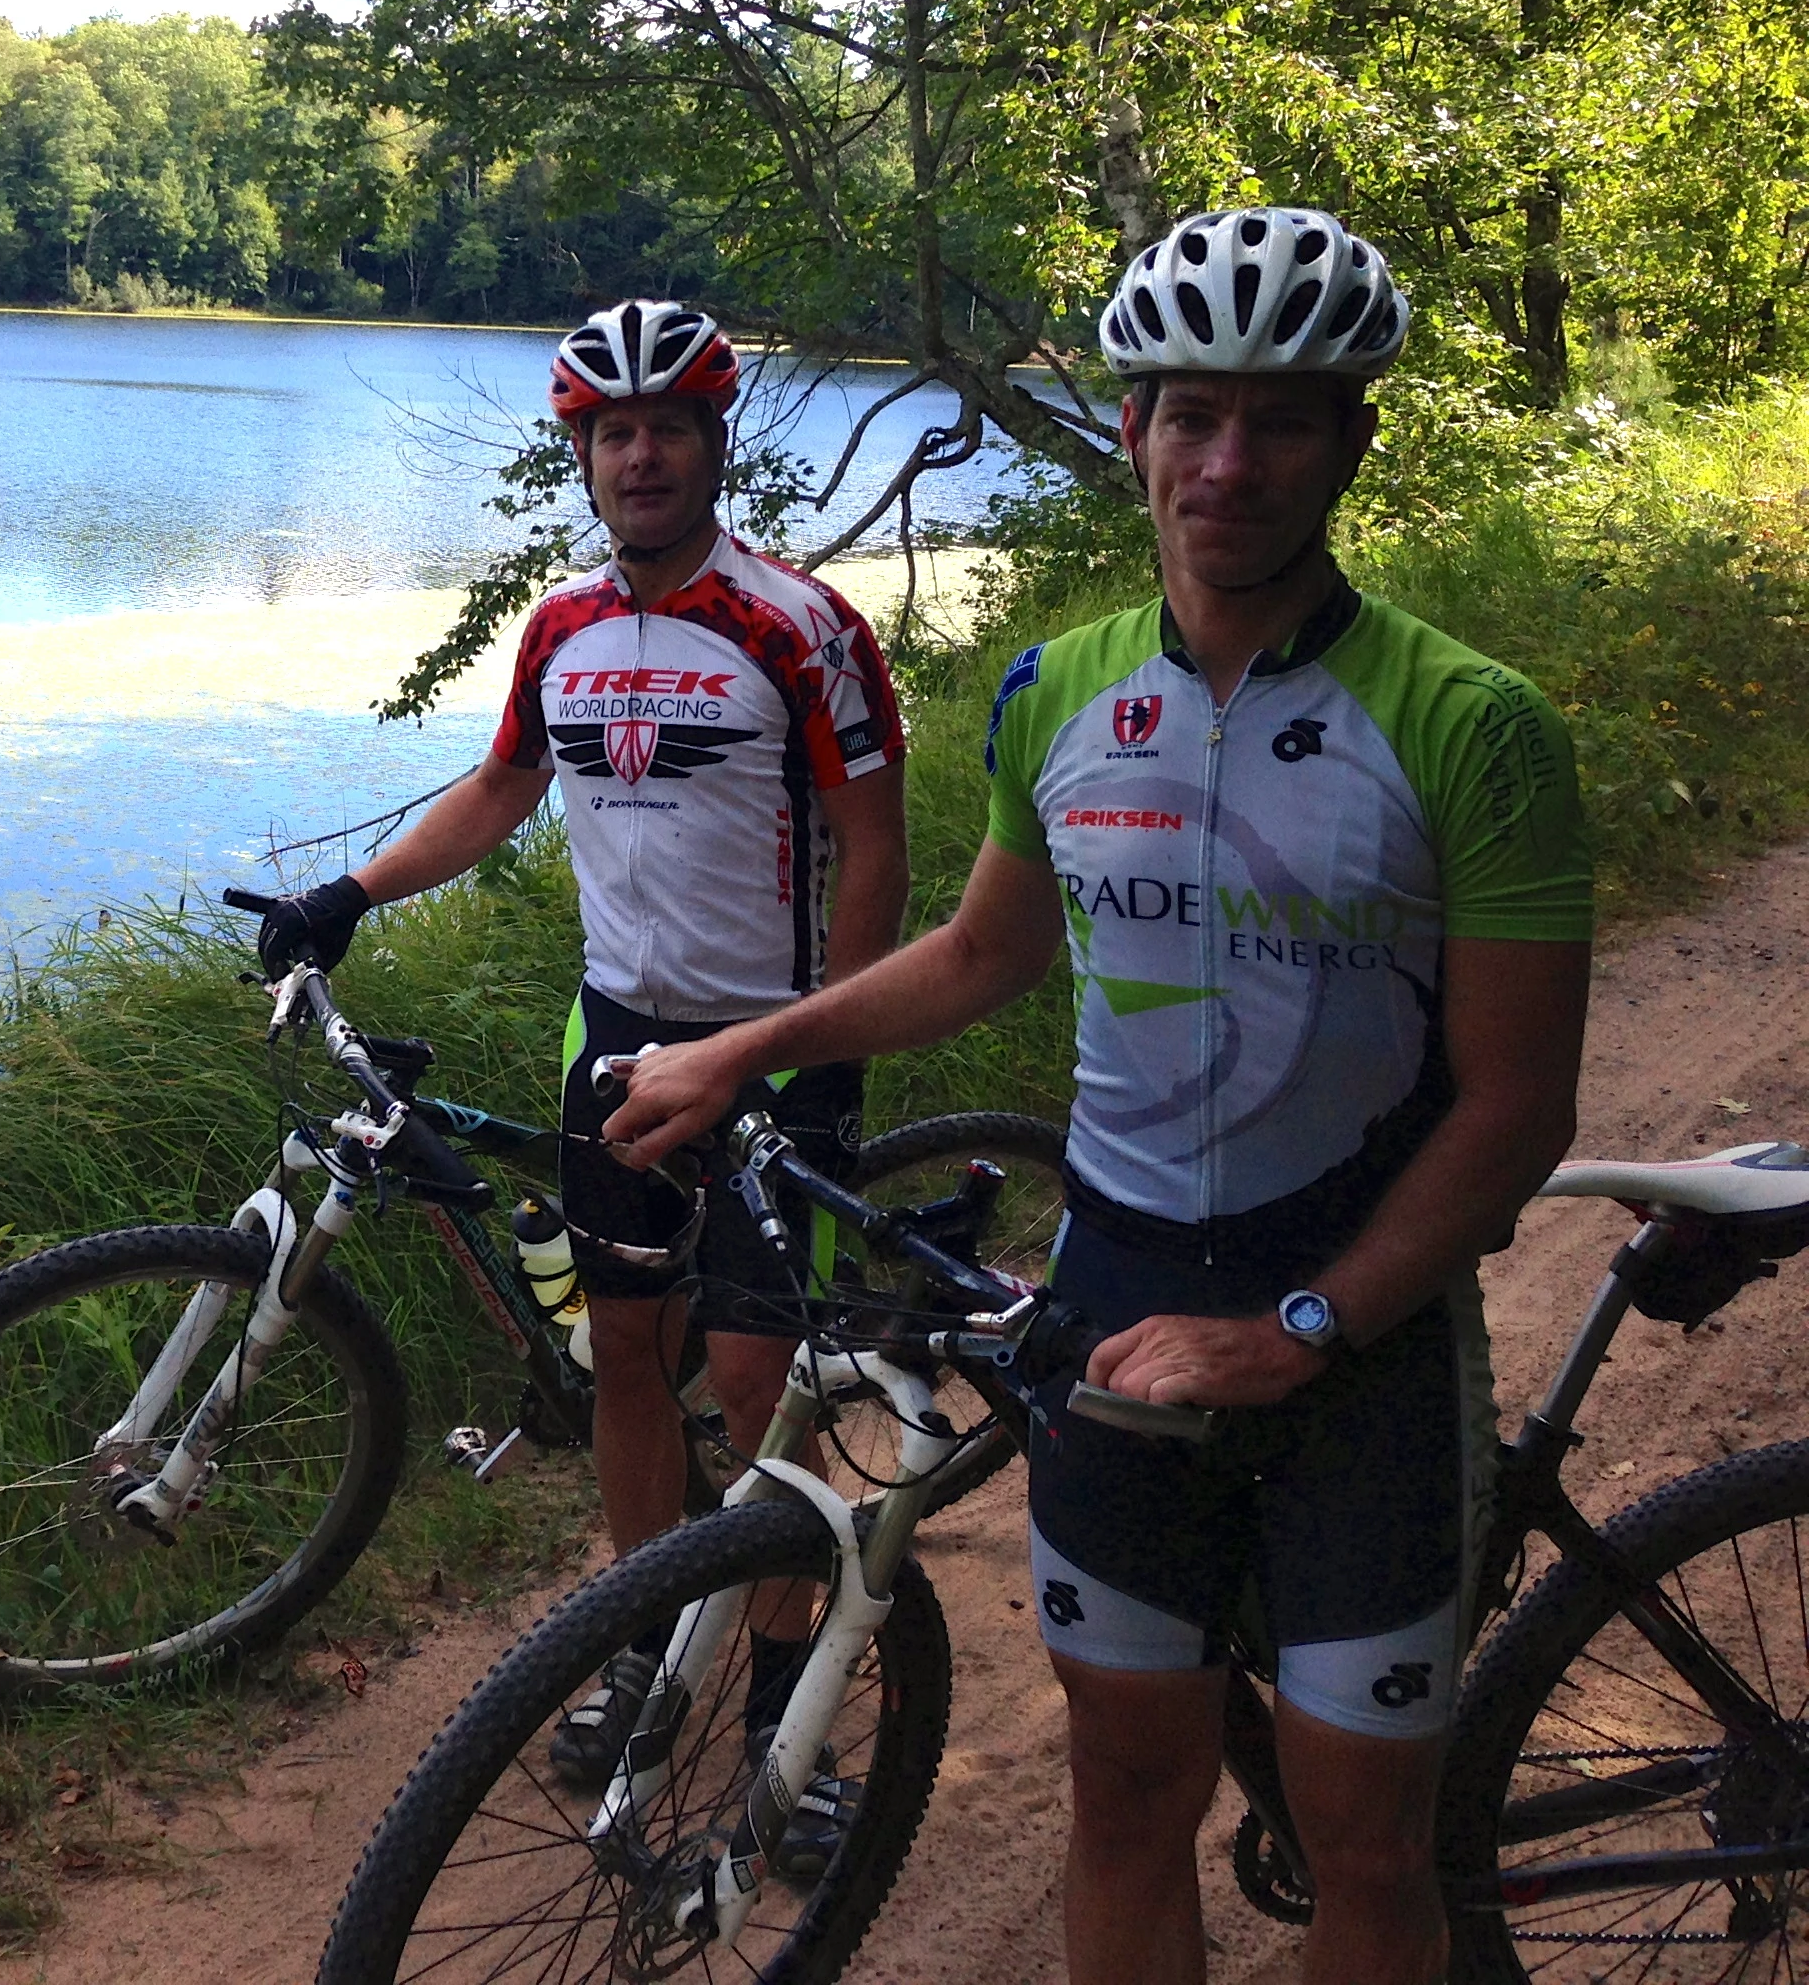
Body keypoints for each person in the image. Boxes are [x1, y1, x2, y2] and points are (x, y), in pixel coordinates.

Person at [602, 208, 1595, 1985]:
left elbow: (1516, 1111)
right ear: (1129, 428)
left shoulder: (1472, 722)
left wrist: (1304, 1324)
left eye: (1283, 419)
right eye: (1190, 413)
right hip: (1117, 1296)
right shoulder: (1060, 689)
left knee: (1365, 1845)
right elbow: (986, 954)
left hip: (1355, 1341)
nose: (1229, 462)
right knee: (1124, 1798)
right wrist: (747, 1046)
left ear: (1353, 439)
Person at [250, 297, 909, 1796]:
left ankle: (786, 1723)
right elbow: (497, 795)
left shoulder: (801, 625)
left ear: (711, 443)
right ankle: (648, 1643)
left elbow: (875, 852)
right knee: (623, 1357)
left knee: (759, 1390)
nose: (642, 454)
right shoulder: (559, 627)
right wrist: (347, 894)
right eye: (615, 432)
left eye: (670, 425)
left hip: (767, 1052)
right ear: (584, 457)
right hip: (613, 1045)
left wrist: (832, 1050)